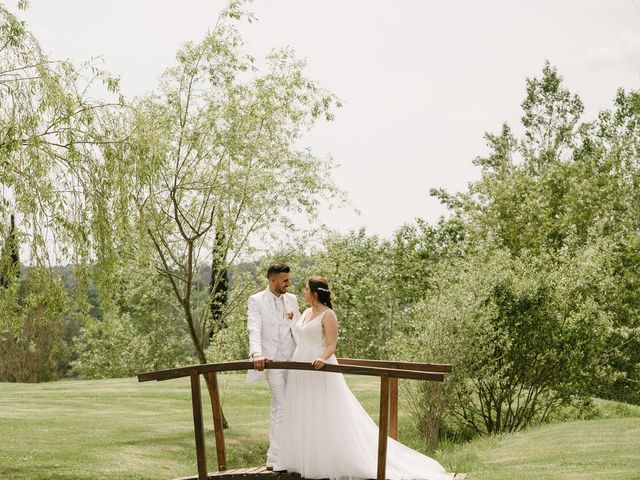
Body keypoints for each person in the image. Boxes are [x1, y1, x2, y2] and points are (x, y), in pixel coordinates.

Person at [274, 276, 453, 480]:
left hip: (320, 367)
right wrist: (291, 317)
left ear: (314, 293)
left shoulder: (328, 314)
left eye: (306, 289)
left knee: (323, 410)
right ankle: (303, 457)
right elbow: (301, 334)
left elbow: (331, 345)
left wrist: (321, 358)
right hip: (300, 367)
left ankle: (328, 460)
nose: (303, 291)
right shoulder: (305, 313)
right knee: (303, 410)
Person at [246, 263, 301, 470]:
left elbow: (298, 327)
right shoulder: (256, 300)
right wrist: (257, 353)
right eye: (285, 280)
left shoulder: (292, 299)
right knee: (284, 405)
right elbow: (254, 327)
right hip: (272, 360)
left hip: (293, 358)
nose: (289, 283)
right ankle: (277, 457)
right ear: (272, 280)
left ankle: (278, 454)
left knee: (282, 406)